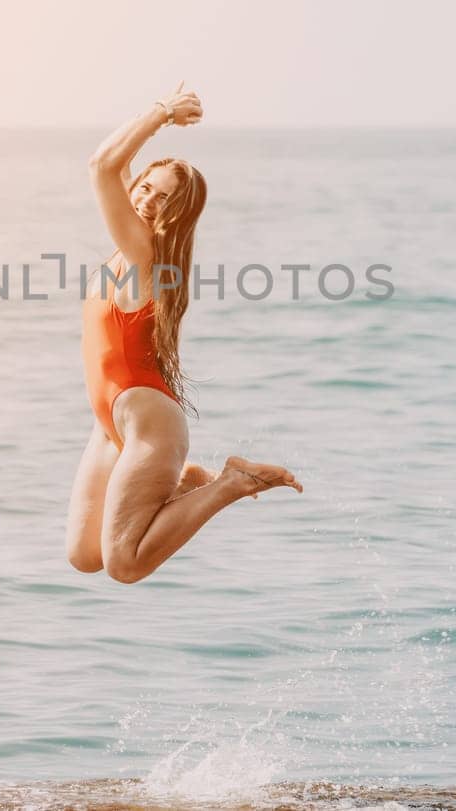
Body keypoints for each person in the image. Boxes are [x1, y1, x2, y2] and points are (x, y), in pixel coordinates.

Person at [64, 82, 302, 584]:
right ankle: (191, 481)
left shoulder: (145, 255)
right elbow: (119, 168)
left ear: (177, 215)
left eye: (164, 199)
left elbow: (101, 166)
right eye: (145, 188)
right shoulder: (125, 246)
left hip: (149, 425)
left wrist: (163, 113)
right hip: (108, 428)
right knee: (86, 556)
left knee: (125, 564)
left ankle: (229, 483)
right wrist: (150, 149)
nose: (148, 201)